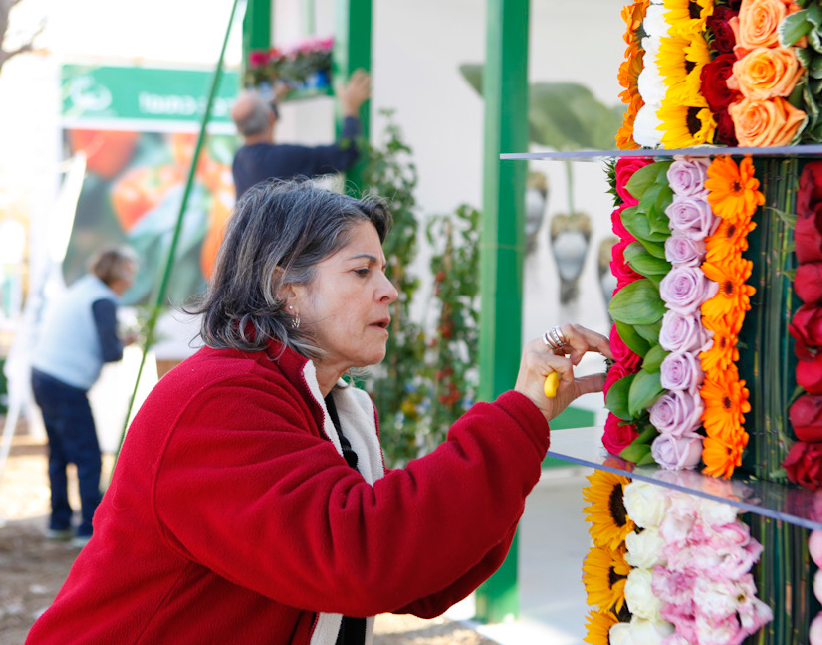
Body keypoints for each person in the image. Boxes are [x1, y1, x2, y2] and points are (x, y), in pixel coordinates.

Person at [25, 180, 611, 645]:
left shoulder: (328, 403)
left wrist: (525, 429)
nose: (389, 290)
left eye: (383, 271)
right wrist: (516, 419)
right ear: (286, 287)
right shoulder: (216, 400)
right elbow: (361, 558)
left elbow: (419, 579)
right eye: (362, 271)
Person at [30, 246, 138, 548]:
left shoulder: (83, 289)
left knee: (59, 454)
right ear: (119, 273)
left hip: (42, 374)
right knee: (88, 456)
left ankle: (59, 521)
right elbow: (111, 353)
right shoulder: (102, 300)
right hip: (66, 384)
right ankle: (88, 528)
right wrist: (128, 341)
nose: (132, 279)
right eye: (130, 271)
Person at [231, 69, 372, 199]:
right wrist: (350, 109)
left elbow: (264, 116)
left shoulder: (239, 159)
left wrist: (274, 99)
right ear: (272, 117)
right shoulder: (282, 158)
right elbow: (344, 154)